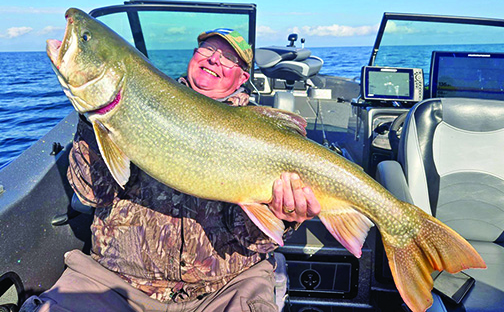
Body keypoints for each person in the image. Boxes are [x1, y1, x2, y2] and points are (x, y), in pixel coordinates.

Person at [21, 29, 321, 312]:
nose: (214, 59)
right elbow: (90, 194)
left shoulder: (262, 133)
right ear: (193, 56)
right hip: (115, 281)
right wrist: (94, 121)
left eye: (229, 58)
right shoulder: (138, 100)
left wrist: (286, 215)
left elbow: (258, 242)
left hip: (226, 287)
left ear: (243, 77)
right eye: (207, 49)